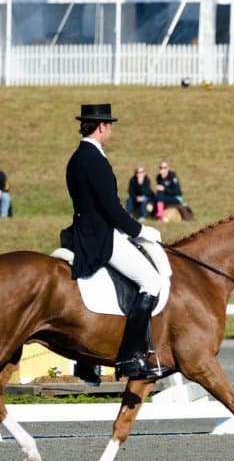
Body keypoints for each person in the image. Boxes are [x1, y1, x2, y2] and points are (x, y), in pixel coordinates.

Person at [65, 103, 170, 381]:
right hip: (101, 236)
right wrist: (140, 230)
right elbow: (111, 207)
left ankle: (88, 360)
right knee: (152, 281)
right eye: (109, 125)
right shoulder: (94, 159)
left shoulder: (76, 157)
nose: (110, 130)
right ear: (101, 126)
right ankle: (131, 356)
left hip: (82, 230)